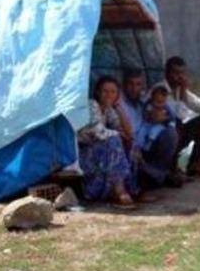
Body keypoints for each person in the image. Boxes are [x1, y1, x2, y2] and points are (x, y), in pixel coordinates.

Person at [77, 76, 139, 209]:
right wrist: (121, 135)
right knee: (114, 140)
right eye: (105, 91)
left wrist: (119, 107)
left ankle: (130, 188)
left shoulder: (108, 110)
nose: (109, 95)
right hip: (84, 154)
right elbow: (98, 132)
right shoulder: (92, 105)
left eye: (113, 92)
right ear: (98, 92)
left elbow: (128, 132)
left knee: (130, 143)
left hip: (100, 152)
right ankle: (119, 190)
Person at [120, 69, 183, 188]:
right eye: (131, 84)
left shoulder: (143, 101)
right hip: (131, 147)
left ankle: (159, 173)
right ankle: (159, 176)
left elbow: (165, 113)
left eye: (138, 84)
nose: (134, 89)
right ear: (124, 85)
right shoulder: (121, 103)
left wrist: (162, 118)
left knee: (171, 133)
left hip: (147, 145)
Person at [163, 56, 200, 177]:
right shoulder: (160, 91)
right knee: (176, 123)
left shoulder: (179, 90)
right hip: (164, 138)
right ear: (167, 73)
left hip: (177, 135)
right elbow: (172, 116)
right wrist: (183, 94)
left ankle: (194, 165)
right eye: (175, 73)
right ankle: (170, 167)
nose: (179, 77)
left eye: (182, 73)